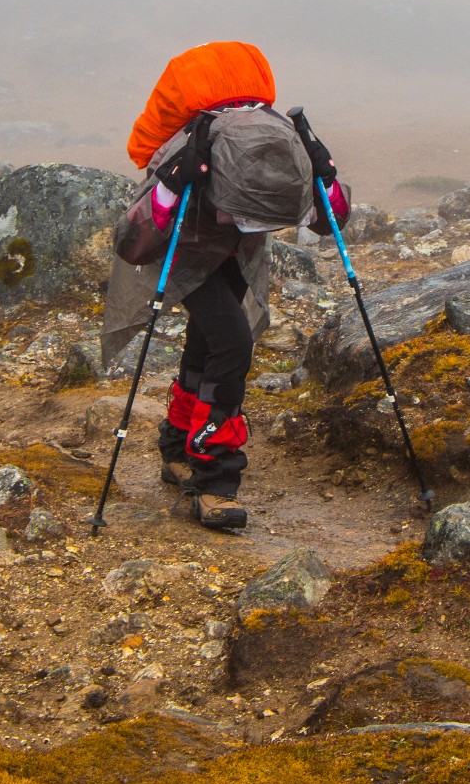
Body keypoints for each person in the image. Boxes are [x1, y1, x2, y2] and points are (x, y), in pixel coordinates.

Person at [101, 41, 348, 530]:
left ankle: (176, 446)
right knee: (233, 340)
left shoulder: (277, 145)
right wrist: (173, 183)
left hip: (238, 250)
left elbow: (332, 220)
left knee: (210, 339)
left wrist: (325, 172)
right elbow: (131, 245)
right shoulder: (189, 150)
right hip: (185, 255)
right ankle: (214, 478)